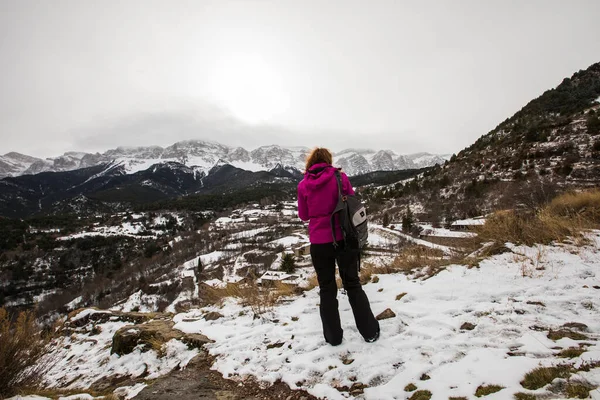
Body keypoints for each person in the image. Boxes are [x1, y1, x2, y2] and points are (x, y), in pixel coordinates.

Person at [297, 147, 380, 346]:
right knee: (352, 284)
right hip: (343, 238)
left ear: (310, 163)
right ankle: (369, 331)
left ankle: (333, 338)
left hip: (319, 243)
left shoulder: (303, 185)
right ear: (328, 160)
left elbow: (304, 215)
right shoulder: (340, 177)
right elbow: (352, 201)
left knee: (326, 289)